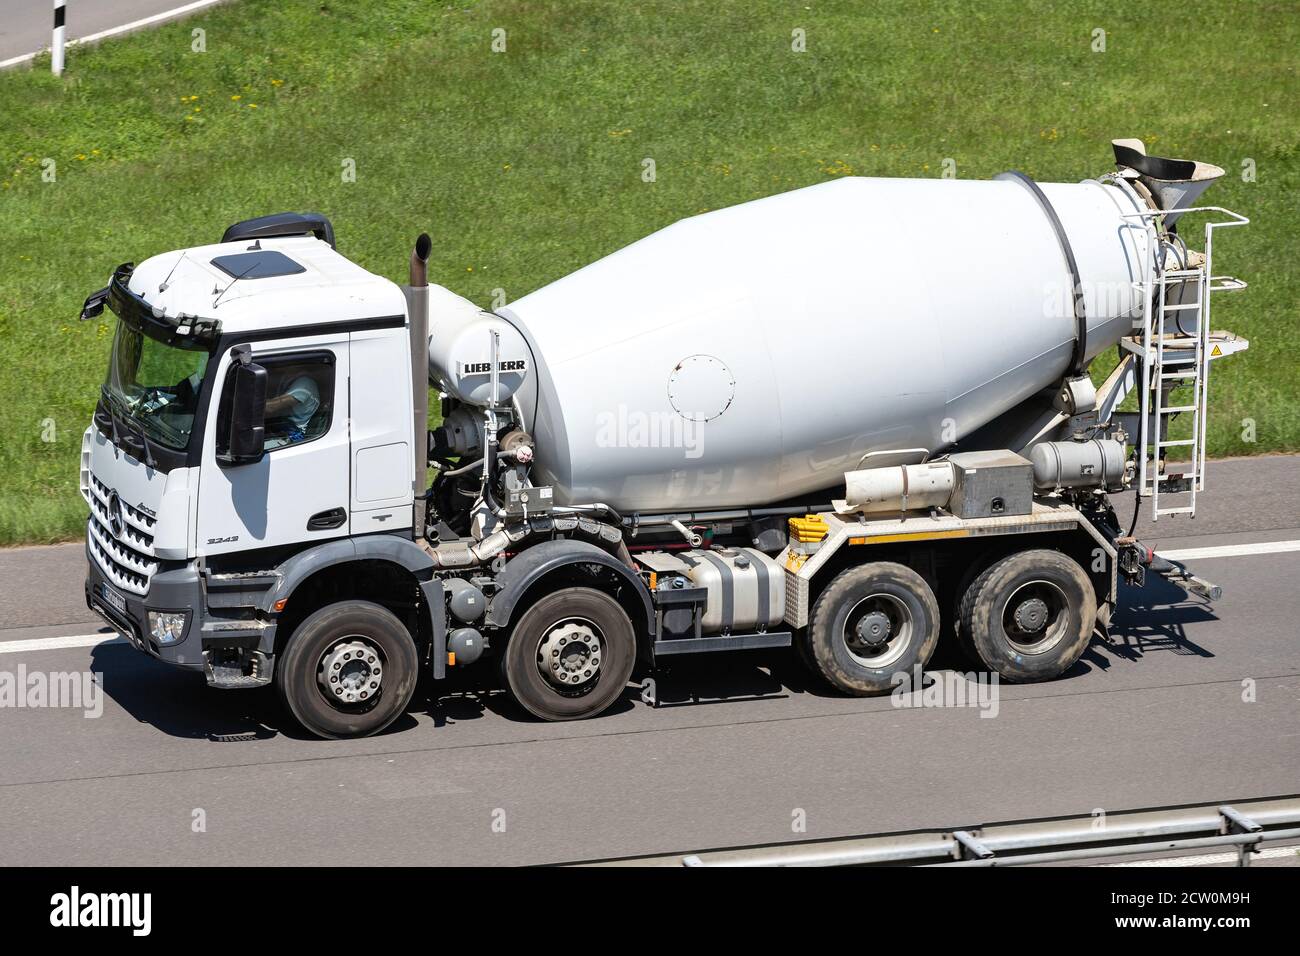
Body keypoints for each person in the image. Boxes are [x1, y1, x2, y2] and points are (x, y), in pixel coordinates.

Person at [263, 374, 321, 448]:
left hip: (291, 435)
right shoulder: (286, 378)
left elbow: (271, 407)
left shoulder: (305, 383)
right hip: (277, 426)